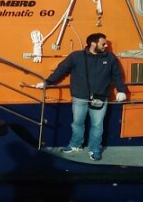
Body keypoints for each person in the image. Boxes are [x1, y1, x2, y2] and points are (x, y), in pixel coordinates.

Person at [36, 33, 127, 161]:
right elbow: (61, 70)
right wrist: (47, 82)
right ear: (93, 44)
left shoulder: (110, 57)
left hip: (100, 97)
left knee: (97, 125)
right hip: (80, 97)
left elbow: (117, 75)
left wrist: (121, 91)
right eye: (103, 43)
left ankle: (94, 149)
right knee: (77, 123)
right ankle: (75, 145)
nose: (106, 46)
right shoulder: (76, 56)